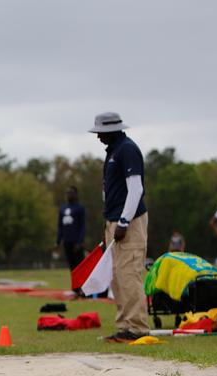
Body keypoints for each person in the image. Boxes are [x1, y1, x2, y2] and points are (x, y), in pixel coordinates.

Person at [90, 112, 150, 343]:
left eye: (101, 133)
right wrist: (109, 223)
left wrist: (124, 222)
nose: (98, 138)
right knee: (117, 276)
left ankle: (137, 328)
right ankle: (124, 326)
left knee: (129, 274)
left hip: (130, 221)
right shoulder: (113, 151)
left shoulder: (127, 149)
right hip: (114, 219)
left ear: (112, 130)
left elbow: (135, 189)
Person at [55, 186, 86, 273]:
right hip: (66, 242)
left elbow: (82, 226)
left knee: (80, 266)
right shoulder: (63, 208)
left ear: (76, 194)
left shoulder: (80, 208)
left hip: (76, 243)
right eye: (67, 193)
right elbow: (60, 226)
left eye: (71, 192)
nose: (68, 195)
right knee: (71, 266)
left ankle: (81, 286)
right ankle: (74, 286)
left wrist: (79, 242)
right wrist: (58, 241)